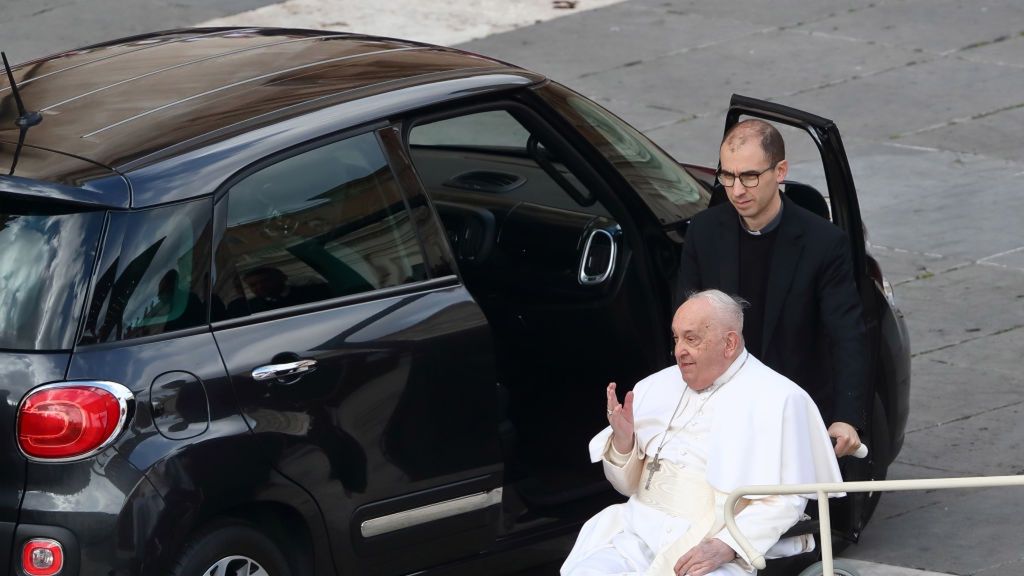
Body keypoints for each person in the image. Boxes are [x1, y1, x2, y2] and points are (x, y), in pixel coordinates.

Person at [561, 290, 842, 576]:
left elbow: (785, 500)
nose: (678, 350)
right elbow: (626, 486)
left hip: (712, 544)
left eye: (691, 339)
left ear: (729, 343)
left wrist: (728, 544)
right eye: (676, 338)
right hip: (636, 535)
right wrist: (624, 443)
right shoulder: (653, 386)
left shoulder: (782, 398)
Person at [675, 119, 869, 458]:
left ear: (780, 171)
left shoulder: (822, 242)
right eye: (728, 176)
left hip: (793, 409)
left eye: (750, 176)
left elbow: (846, 334)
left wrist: (846, 416)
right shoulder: (704, 231)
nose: (737, 190)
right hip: (719, 407)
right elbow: (685, 321)